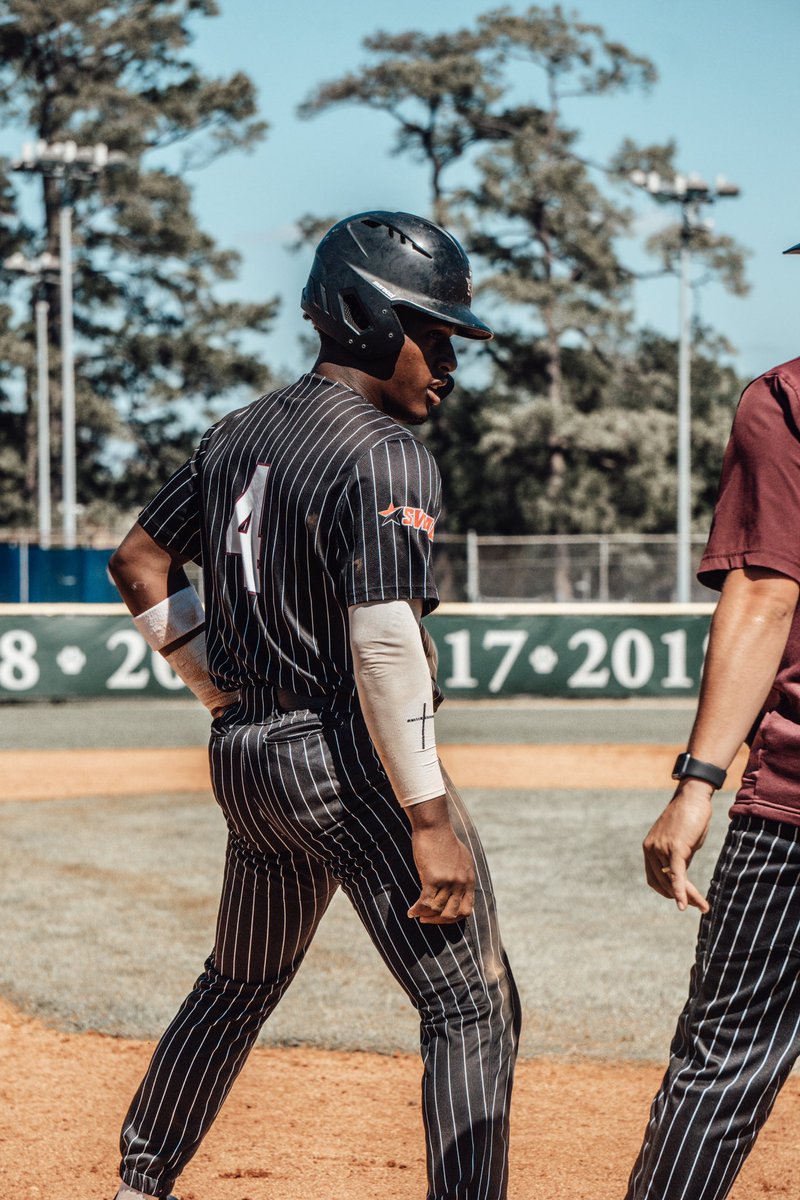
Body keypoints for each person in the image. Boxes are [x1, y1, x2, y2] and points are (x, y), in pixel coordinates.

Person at [107, 210, 520, 1200]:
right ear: (367, 318)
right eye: (433, 331)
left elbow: (136, 559)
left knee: (239, 983)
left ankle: (138, 1185)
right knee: (471, 1009)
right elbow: (382, 642)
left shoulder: (235, 432)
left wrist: (216, 688)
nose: (449, 359)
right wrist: (427, 819)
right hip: (341, 764)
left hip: (247, 761)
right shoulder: (384, 453)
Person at [625, 244, 800, 1200]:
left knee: (724, 1066)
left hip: (795, 811)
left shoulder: (786, 399)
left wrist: (697, 785)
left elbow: (767, 595)